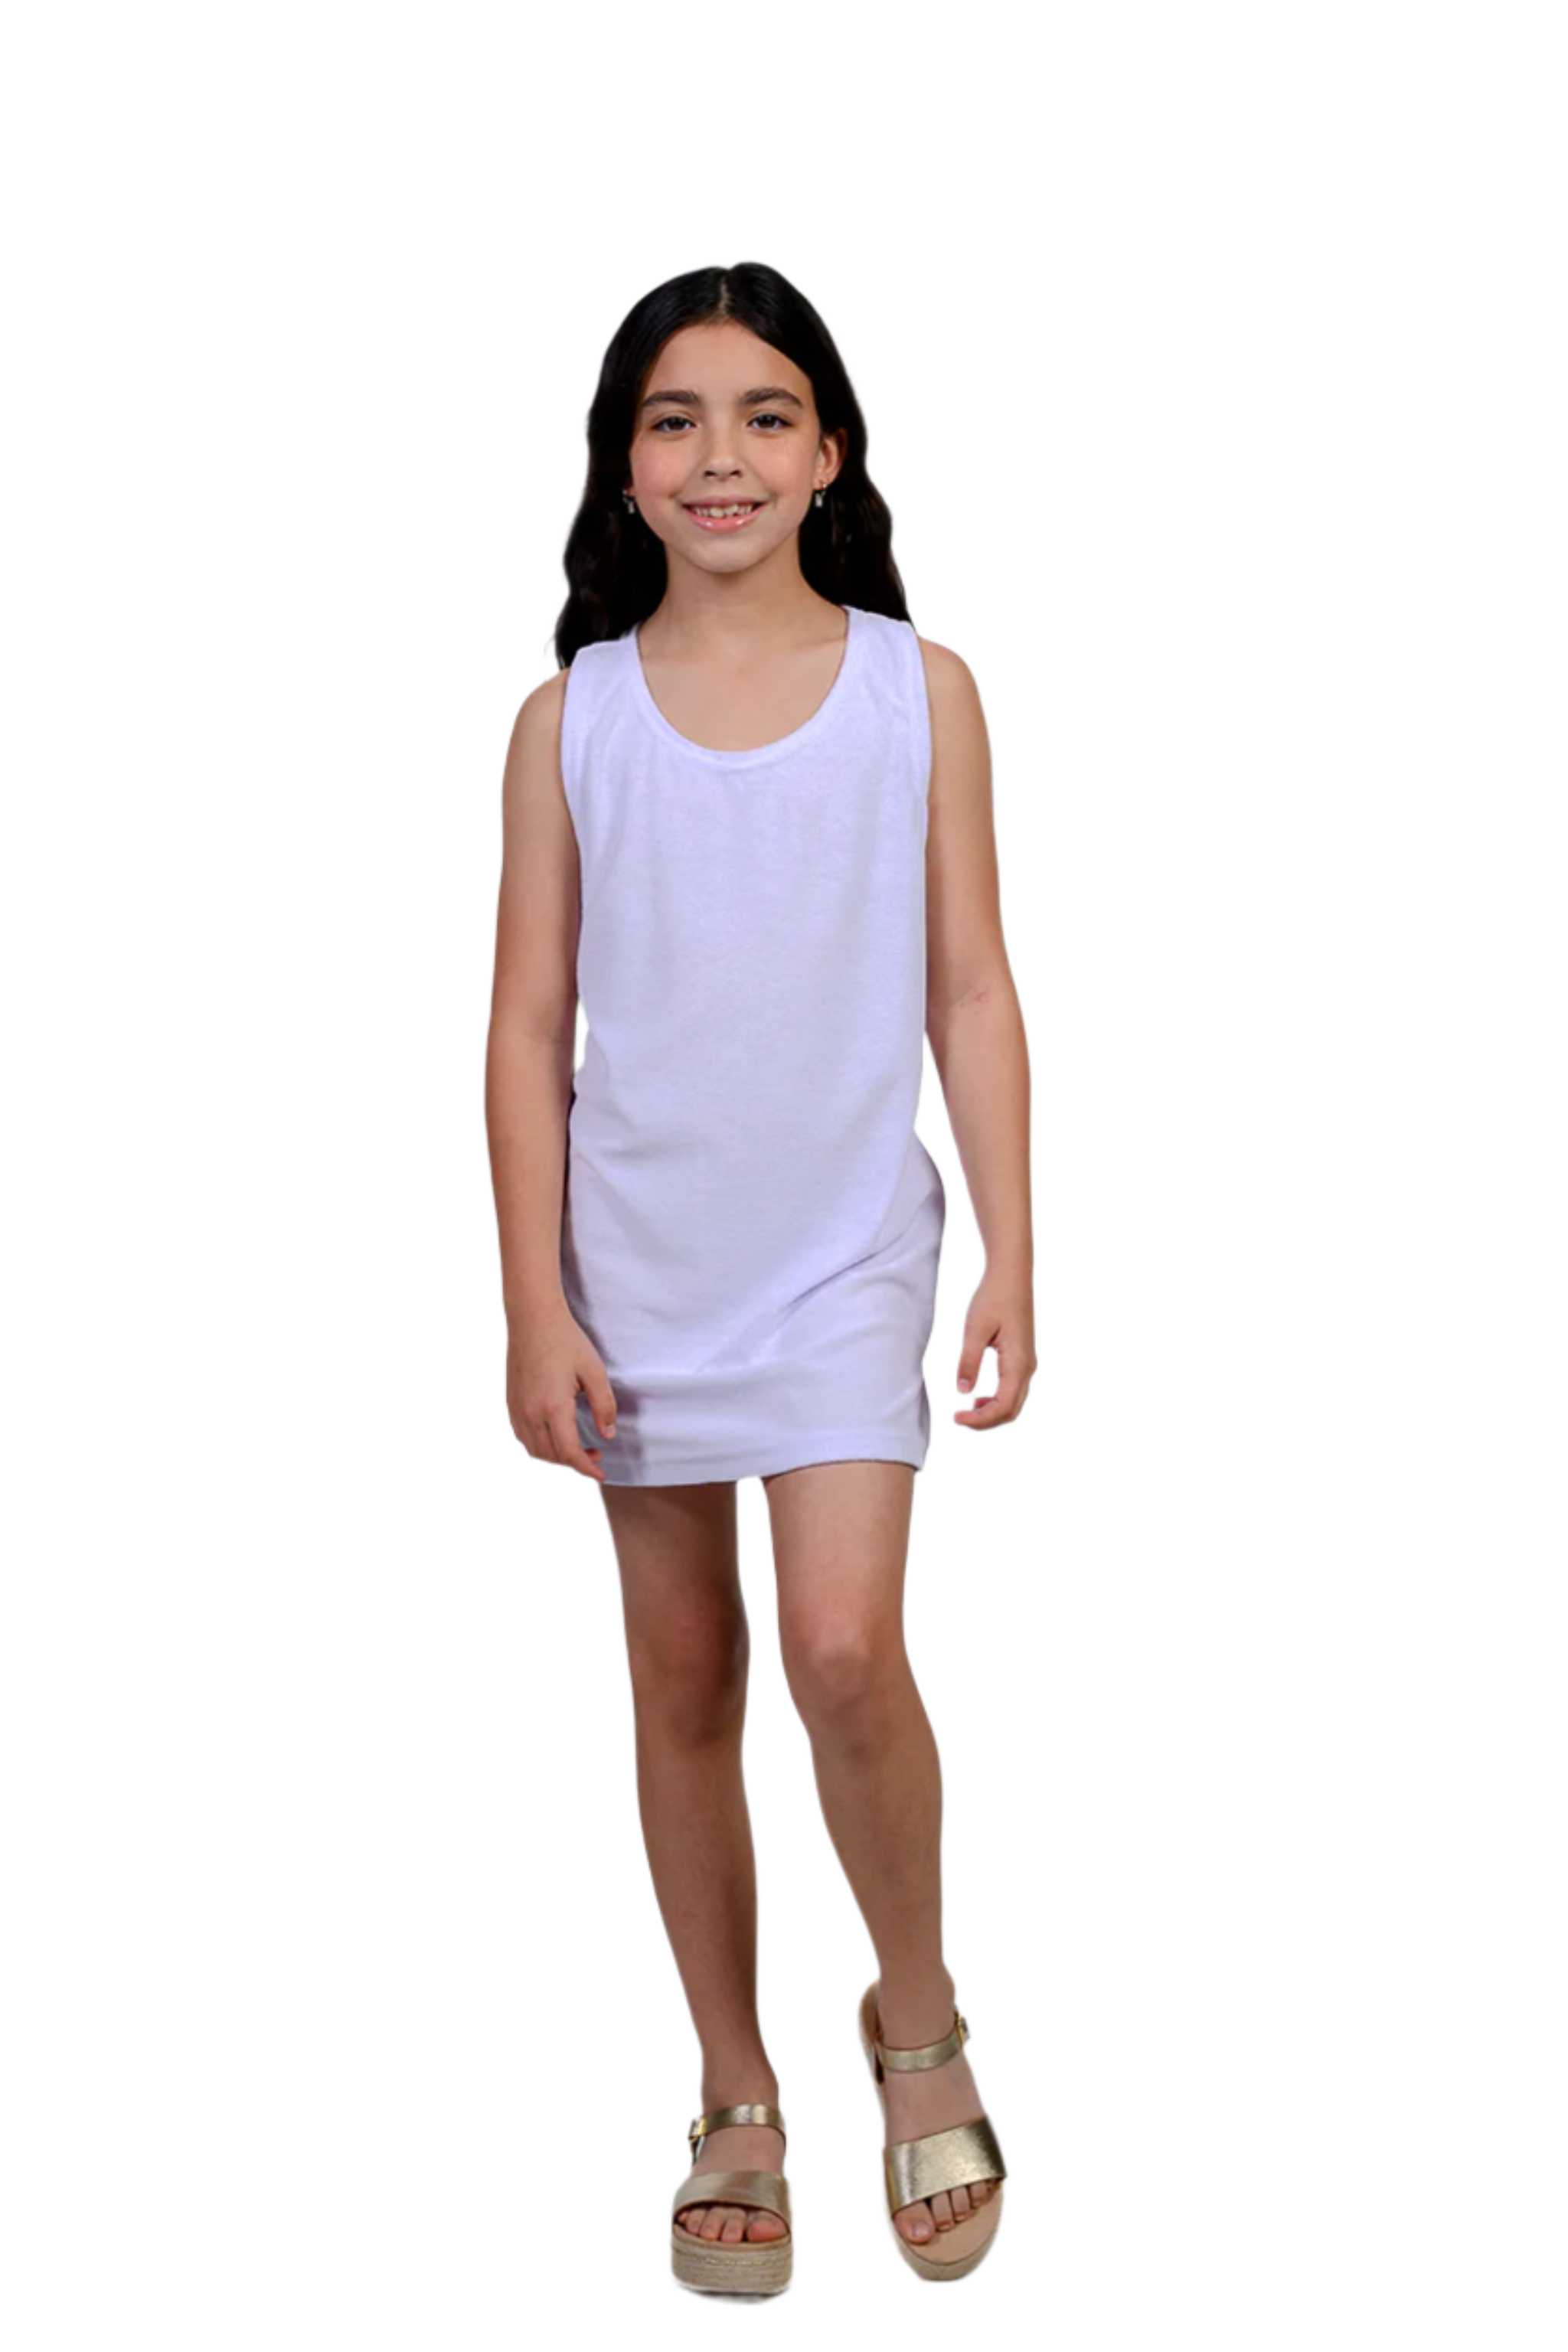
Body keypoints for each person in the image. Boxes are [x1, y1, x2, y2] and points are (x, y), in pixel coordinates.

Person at [485, 262, 1034, 2293]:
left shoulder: (918, 692)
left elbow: (969, 987)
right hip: (638, 1264)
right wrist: (535, 1301)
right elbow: (525, 1027)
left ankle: (919, 2014)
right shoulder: (572, 722)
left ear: (829, 456)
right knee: (687, 1675)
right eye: (675, 418)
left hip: (839, 1255)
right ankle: (734, 2084)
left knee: (839, 1648)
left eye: (765, 414)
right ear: (626, 468)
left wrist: (1013, 1244)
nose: (720, 454)